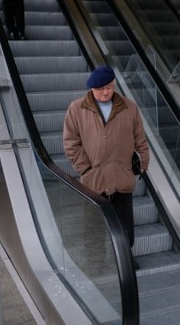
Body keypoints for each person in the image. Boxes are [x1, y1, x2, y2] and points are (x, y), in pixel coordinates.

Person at [63, 67, 150, 269]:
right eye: (101, 89)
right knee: (94, 223)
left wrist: (143, 163)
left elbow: (140, 140)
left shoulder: (129, 107)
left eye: (109, 87)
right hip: (94, 179)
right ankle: (96, 261)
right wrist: (85, 169)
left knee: (125, 223)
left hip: (121, 176)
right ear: (92, 88)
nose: (106, 92)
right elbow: (70, 143)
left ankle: (125, 260)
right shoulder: (77, 109)